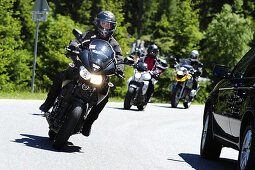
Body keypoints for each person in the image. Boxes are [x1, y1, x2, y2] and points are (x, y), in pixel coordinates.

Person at [39, 11, 124, 137]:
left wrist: (120, 69)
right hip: (84, 67)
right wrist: (73, 47)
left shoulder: (114, 44)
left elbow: (119, 59)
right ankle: (48, 103)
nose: (106, 27)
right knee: (62, 75)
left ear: (113, 27)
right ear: (98, 23)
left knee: (105, 96)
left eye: (109, 25)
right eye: (104, 23)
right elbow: (77, 41)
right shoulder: (90, 35)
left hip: (100, 74)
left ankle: (88, 123)